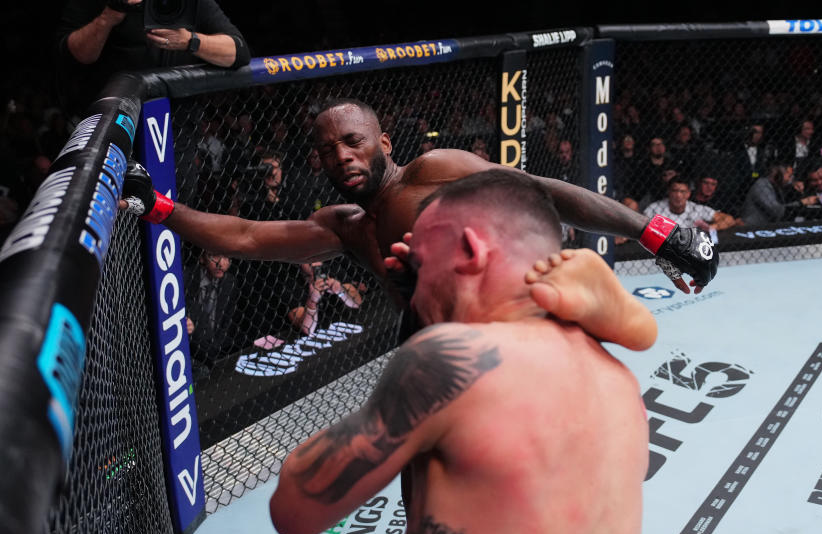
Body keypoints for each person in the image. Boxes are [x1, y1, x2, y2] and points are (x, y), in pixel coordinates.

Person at [269, 170, 651, 534]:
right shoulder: (618, 383)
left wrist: (430, 332)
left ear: (470, 252)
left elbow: (293, 511)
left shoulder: (452, 363)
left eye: (423, 265)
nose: (413, 281)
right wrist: (430, 304)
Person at [120, 98, 717, 346]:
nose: (342, 158)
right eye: (328, 152)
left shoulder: (435, 170)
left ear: (381, 140)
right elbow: (249, 237)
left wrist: (651, 230)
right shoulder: (346, 225)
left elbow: (543, 192)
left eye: (352, 143)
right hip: (429, 351)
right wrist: (165, 209)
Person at [56, 0, 251, 116]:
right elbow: (76, 55)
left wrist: (190, 41)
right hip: (112, 122)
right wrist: (108, 17)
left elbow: (238, 52)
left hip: (176, 122)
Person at [740, 163, 818, 226]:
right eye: (789, 176)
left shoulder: (777, 187)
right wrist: (802, 202)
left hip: (765, 228)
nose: (790, 180)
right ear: (779, 175)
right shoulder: (762, 185)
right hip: (751, 228)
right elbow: (777, 211)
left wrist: (794, 184)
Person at [643, 176, 716, 230]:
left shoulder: (696, 208)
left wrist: (711, 227)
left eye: (682, 191)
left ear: (688, 194)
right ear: (669, 192)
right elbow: (641, 226)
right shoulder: (654, 208)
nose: (678, 195)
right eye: (675, 191)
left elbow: (726, 219)